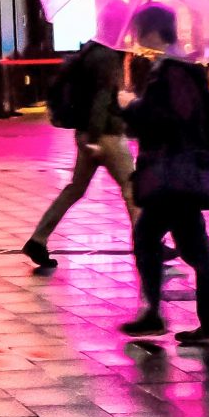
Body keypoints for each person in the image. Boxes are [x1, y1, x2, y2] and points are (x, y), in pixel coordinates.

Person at [122, 5, 209, 345]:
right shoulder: (177, 67)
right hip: (178, 172)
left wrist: (132, 108)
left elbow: (172, 119)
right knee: (189, 245)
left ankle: (158, 316)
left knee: (153, 239)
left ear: (152, 30)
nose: (135, 36)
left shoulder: (171, 71)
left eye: (138, 28)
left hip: (173, 173)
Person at [22, 32, 133, 271]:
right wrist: (95, 138)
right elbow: (101, 99)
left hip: (85, 133)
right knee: (132, 188)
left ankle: (38, 239)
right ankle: (149, 244)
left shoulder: (91, 51)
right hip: (105, 135)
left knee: (75, 188)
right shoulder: (107, 56)